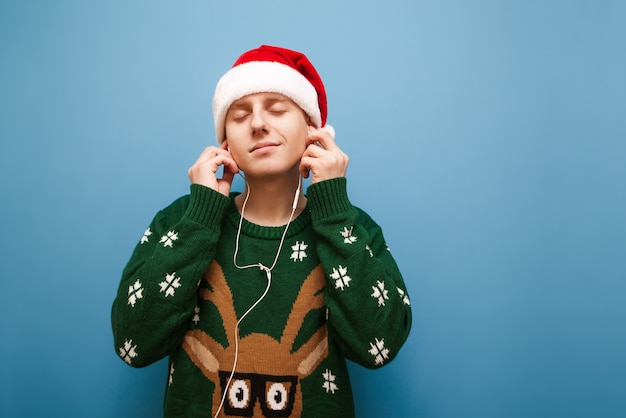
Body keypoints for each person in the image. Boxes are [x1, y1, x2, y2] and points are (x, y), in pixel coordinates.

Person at [111, 44, 412, 417]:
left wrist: (333, 210)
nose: (257, 124)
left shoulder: (352, 227)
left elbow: (378, 346)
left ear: (314, 132)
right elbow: (133, 344)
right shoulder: (181, 221)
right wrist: (201, 216)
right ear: (225, 143)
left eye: (277, 108)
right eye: (239, 115)